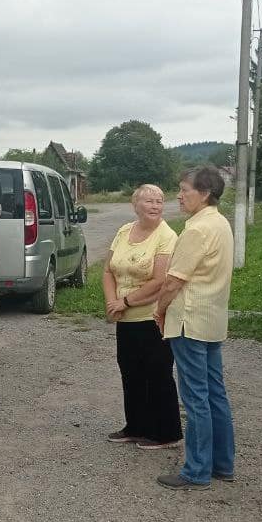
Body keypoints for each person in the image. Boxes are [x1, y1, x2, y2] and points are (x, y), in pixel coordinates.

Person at [153, 167, 236, 490]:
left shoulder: (197, 230)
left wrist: (159, 310)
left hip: (189, 320)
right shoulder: (220, 223)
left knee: (195, 397)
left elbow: (174, 281)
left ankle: (197, 470)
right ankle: (222, 463)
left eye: (184, 190)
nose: (179, 195)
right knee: (215, 393)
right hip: (212, 318)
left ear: (205, 193)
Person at [103, 184, 182, 450]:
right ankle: (135, 426)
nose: (155, 206)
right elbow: (108, 271)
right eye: (149, 201)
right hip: (125, 318)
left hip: (152, 317)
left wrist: (125, 301)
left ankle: (167, 433)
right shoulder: (124, 231)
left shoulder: (166, 236)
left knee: (157, 374)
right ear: (135, 204)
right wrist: (112, 303)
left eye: (159, 201)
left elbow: (160, 281)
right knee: (130, 372)